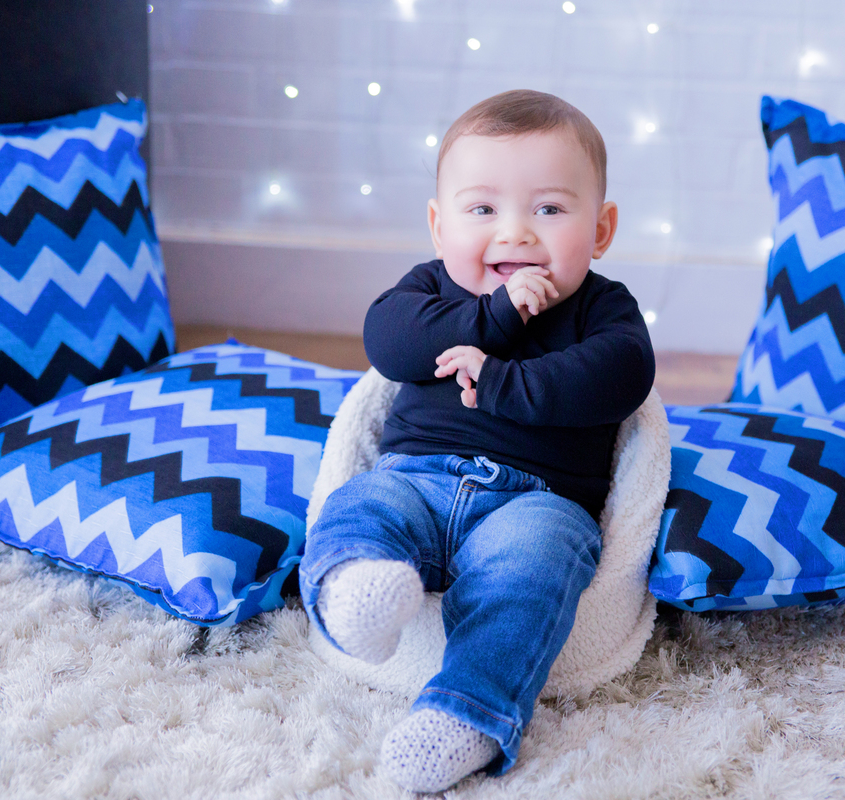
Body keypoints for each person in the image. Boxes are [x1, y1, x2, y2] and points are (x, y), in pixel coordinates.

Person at [298, 89, 656, 793]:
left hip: (537, 502)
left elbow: (622, 376)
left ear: (601, 229)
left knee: (533, 568)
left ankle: (467, 712)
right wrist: (493, 317)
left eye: (548, 209)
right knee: (363, 504)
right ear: (439, 227)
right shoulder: (430, 291)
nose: (515, 234)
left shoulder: (602, 307)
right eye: (483, 209)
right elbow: (387, 342)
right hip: (416, 478)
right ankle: (354, 585)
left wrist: (500, 382)